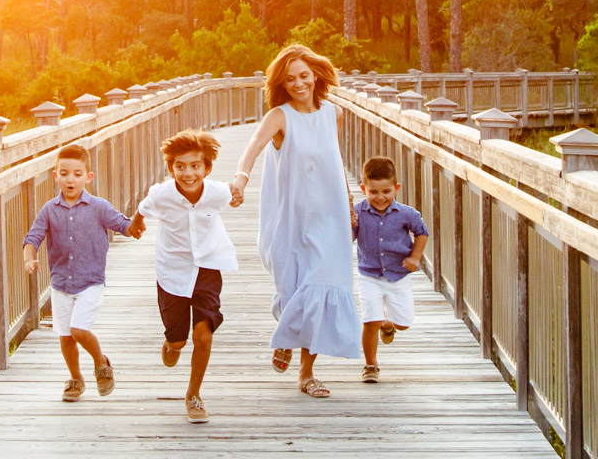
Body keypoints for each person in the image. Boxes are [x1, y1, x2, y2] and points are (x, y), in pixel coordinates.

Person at [230, 44, 362, 398]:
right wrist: (241, 178)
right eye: (290, 79)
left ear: (316, 75)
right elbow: (253, 146)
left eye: (304, 75)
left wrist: (349, 205)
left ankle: (306, 373)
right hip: (291, 219)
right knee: (293, 289)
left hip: (329, 219)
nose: (299, 83)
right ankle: (286, 331)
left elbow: (333, 163)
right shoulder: (279, 116)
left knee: (319, 288)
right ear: (282, 84)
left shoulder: (333, 113)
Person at [129, 129, 239, 424]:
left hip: (207, 267)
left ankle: (193, 394)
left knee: (203, 335)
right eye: (180, 166)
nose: (188, 173)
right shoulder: (161, 194)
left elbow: (234, 191)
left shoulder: (217, 193)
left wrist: (238, 189)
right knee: (177, 342)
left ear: (207, 168)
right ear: (171, 168)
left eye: (195, 166)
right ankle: (171, 343)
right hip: (172, 271)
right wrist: (135, 223)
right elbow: (142, 209)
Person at [23, 142, 142, 402]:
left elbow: (122, 224)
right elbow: (32, 238)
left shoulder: (98, 206)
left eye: (77, 174)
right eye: (64, 173)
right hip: (60, 282)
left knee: (78, 329)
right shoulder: (49, 210)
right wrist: (29, 259)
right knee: (65, 336)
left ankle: (101, 363)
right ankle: (76, 379)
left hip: (90, 281)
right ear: (55, 176)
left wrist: (135, 226)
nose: (70, 179)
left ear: (88, 177)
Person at [352, 155, 428, 383]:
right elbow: (348, 238)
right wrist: (349, 224)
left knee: (403, 323)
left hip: (398, 276)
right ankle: (371, 365)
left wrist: (415, 257)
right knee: (370, 321)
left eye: (386, 191)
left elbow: (422, 232)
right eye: (373, 192)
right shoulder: (358, 212)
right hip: (370, 275)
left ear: (396, 188)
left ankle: (389, 324)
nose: (380, 197)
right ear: (364, 188)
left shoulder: (407, 213)